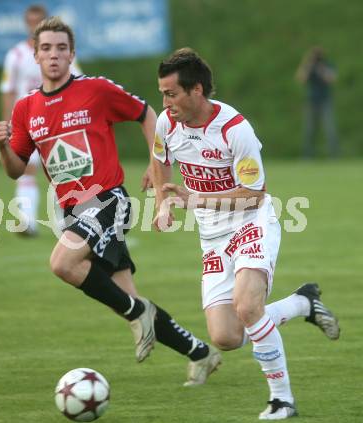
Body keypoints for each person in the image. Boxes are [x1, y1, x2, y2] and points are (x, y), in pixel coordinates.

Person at [0, 18, 221, 386]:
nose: (54, 55)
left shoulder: (96, 89)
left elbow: (147, 113)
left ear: (72, 54)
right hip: (72, 211)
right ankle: (200, 352)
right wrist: (4, 145)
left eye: (62, 48)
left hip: (107, 199)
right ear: (34, 55)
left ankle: (138, 313)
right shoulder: (26, 109)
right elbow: (15, 170)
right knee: (125, 296)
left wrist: (155, 164)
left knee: (62, 263)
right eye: (47, 48)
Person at [152, 48, 340, 419]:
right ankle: (303, 303)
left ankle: (281, 399)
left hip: (251, 221)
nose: (165, 102)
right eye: (162, 93)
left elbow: (254, 194)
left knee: (248, 306)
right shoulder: (166, 123)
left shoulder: (235, 130)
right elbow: (159, 160)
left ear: (197, 91)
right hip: (213, 236)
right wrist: (162, 201)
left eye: (171, 93)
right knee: (227, 336)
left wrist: (196, 199)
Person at [0, 4, 82, 236]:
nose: (34, 25)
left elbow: (77, 84)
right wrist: (8, 123)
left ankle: (67, 220)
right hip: (26, 121)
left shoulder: (62, 53)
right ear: (27, 24)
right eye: (31, 21)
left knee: (62, 171)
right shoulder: (15, 55)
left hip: (56, 123)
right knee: (26, 169)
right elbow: (8, 89)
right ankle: (27, 220)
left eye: (39, 20)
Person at [295, 46, 339, 158]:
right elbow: (301, 78)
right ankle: (307, 155)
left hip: (325, 100)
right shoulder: (309, 66)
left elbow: (331, 79)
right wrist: (307, 64)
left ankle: (333, 154)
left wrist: (321, 68)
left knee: (329, 129)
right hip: (311, 101)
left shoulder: (327, 64)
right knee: (309, 130)